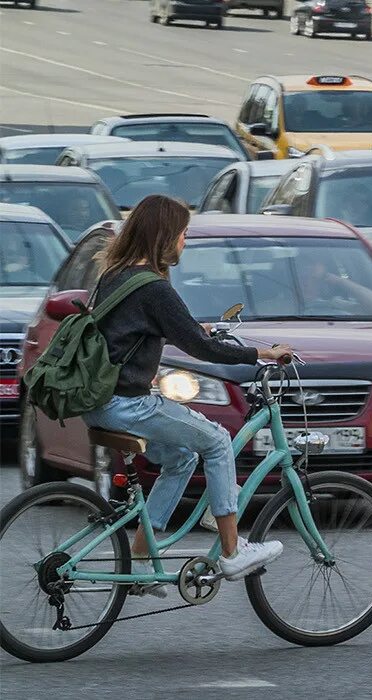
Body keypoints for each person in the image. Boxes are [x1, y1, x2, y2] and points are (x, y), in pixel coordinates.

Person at [82, 194, 292, 596]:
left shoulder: (117, 275)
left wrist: (199, 330)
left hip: (99, 403)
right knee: (215, 441)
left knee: (180, 458)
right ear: (164, 238)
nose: (184, 243)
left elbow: (154, 329)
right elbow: (202, 350)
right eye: (182, 234)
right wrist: (263, 352)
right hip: (126, 404)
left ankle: (141, 564)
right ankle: (233, 551)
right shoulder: (154, 288)